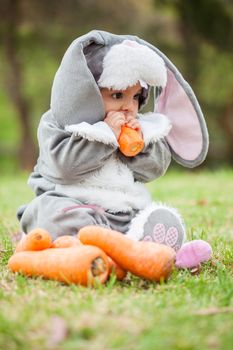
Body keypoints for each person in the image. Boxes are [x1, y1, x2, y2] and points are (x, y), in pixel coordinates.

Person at [17, 30, 211, 266]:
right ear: (86, 93)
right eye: (117, 95)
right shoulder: (59, 123)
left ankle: (147, 246)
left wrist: (137, 146)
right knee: (53, 215)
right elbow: (64, 168)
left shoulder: (141, 125)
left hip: (122, 212)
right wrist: (105, 137)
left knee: (149, 216)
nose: (129, 107)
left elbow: (155, 169)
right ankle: (95, 248)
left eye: (136, 97)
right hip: (74, 205)